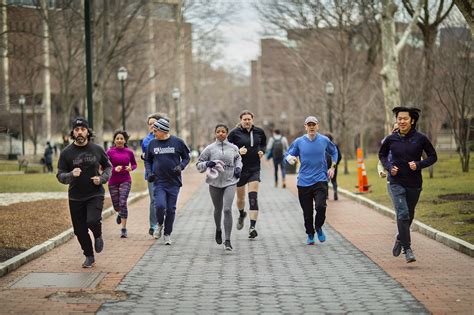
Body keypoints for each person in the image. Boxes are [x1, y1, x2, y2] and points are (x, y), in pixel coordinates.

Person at [379, 107, 437, 263]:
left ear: (412, 120)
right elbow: (382, 155)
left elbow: (433, 156)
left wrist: (418, 165)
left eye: (405, 119)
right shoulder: (391, 139)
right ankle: (408, 249)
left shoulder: (420, 138)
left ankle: (400, 238)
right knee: (402, 213)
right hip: (396, 181)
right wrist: (390, 167)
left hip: (414, 183)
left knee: (409, 215)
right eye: (399, 118)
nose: (401, 121)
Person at [56, 117, 112, 268]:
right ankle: (89, 256)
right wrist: (70, 175)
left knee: (92, 221)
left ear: (88, 132)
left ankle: (98, 234)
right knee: (79, 230)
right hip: (75, 196)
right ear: (73, 133)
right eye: (77, 130)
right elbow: (60, 175)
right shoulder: (66, 153)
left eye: (83, 129)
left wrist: (101, 179)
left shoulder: (97, 149)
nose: (80, 132)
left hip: (95, 193)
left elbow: (108, 167)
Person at [285, 116, 338, 245]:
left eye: (313, 124)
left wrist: (333, 167)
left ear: (317, 126)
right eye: (309, 125)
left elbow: (334, 151)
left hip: (320, 180)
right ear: (305, 127)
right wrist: (290, 158)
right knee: (307, 212)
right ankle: (310, 233)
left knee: (321, 207)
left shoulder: (324, 140)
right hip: (303, 182)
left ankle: (318, 227)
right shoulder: (299, 141)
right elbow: (288, 153)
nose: (311, 127)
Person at [196, 124, 243, 251]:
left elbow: (238, 160)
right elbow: (198, 164)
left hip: (230, 181)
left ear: (227, 133)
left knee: (227, 209)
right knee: (218, 209)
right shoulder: (209, 149)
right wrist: (207, 163)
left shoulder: (233, 148)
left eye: (223, 131)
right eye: (218, 131)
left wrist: (238, 168)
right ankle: (218, 229)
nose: (221, 133)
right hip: (214, 182)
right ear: (215, 133)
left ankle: (227, 240)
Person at [145, 118, 190, 245]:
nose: (153, 133)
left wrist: (181, 166)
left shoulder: (178, 142)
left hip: (174, 182)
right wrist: (149, 173)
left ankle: (167, 234)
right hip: (159, 181)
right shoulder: (152, 144)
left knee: (171, 209)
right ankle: (159, 224)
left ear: (163, 131)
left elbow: (187, 157)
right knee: (159, 206)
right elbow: (147, 160)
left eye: (156, 130)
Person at [228, 110, 267, 239]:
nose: (247, 121)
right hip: (239, 170)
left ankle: (252, 227)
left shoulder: (259, 132)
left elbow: (263, 144)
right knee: (240, 199)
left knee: (253, 197)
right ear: (240, 120)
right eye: (244, 119)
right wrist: (238, 151)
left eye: (249, 119)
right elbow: (227, 149)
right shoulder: (234, 133)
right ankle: (241, 214)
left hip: (254, 168)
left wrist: (262, 151)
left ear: (252, 119)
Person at [107, 130, 137, 238]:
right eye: (117, 138)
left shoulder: (129, 152)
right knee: (116, 206)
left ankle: (124, 229)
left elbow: (134, 164)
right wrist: (114, 169)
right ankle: (119, 213)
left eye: (121, 138)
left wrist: (131, 168)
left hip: (125, 180)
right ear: (114, 140)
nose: (119, 140)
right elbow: (104, 167)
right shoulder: (109, 152)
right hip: (113, 181)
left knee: (123, 202)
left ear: (125, 140)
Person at [141, 113, 165, 237]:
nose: (152, 126)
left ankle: (162, 221)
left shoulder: (166, 138)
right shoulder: (147, 141)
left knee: (164, 200)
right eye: (150, 124)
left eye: (154, 124)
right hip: (152, 174)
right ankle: (153, 225)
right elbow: (148, 157)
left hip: (165, 174)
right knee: (154, 200)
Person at [324, 134, 342, 200]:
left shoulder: (323, 146)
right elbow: (339, 156)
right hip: (334, 166)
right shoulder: (335, 146)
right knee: (334, 180)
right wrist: (336, 164)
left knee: (326, 180)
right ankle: (335, 192)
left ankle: (326, 195)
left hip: (326, 165)